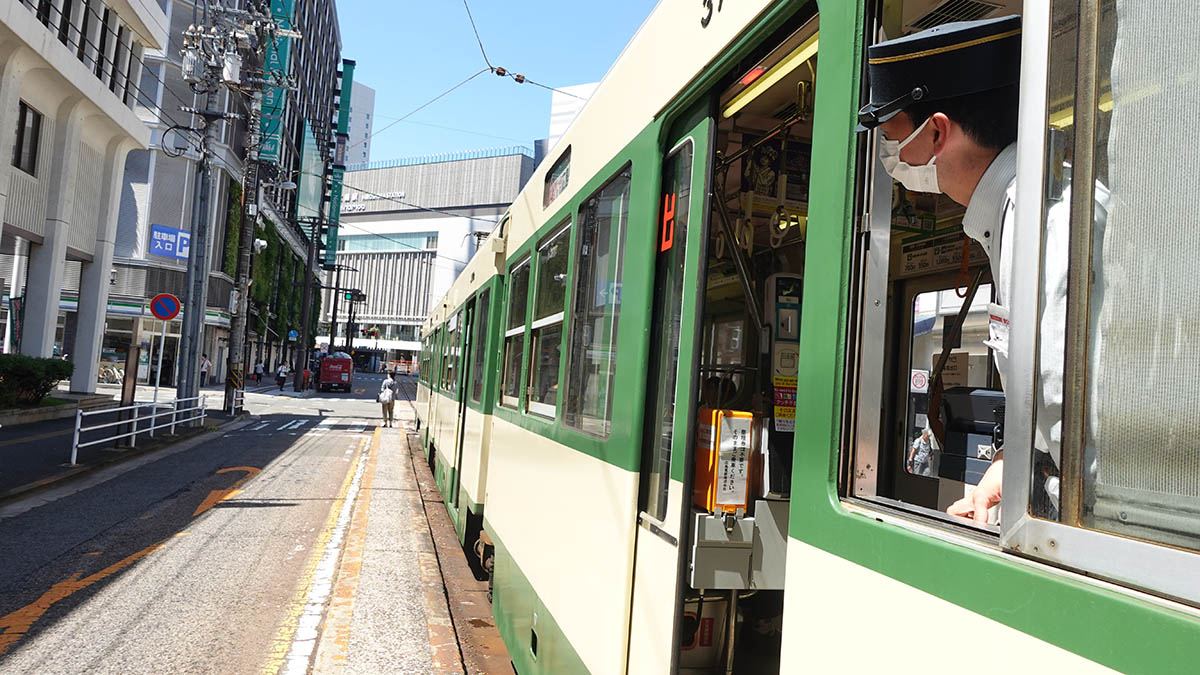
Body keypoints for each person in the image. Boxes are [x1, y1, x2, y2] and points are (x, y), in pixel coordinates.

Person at [857, 15, 1052, 523]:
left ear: (938, 132)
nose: (891, 157)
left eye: (894, 137)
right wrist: (1008, 467)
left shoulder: (1041, 225)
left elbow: (1086, 433)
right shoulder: (1011, 217)